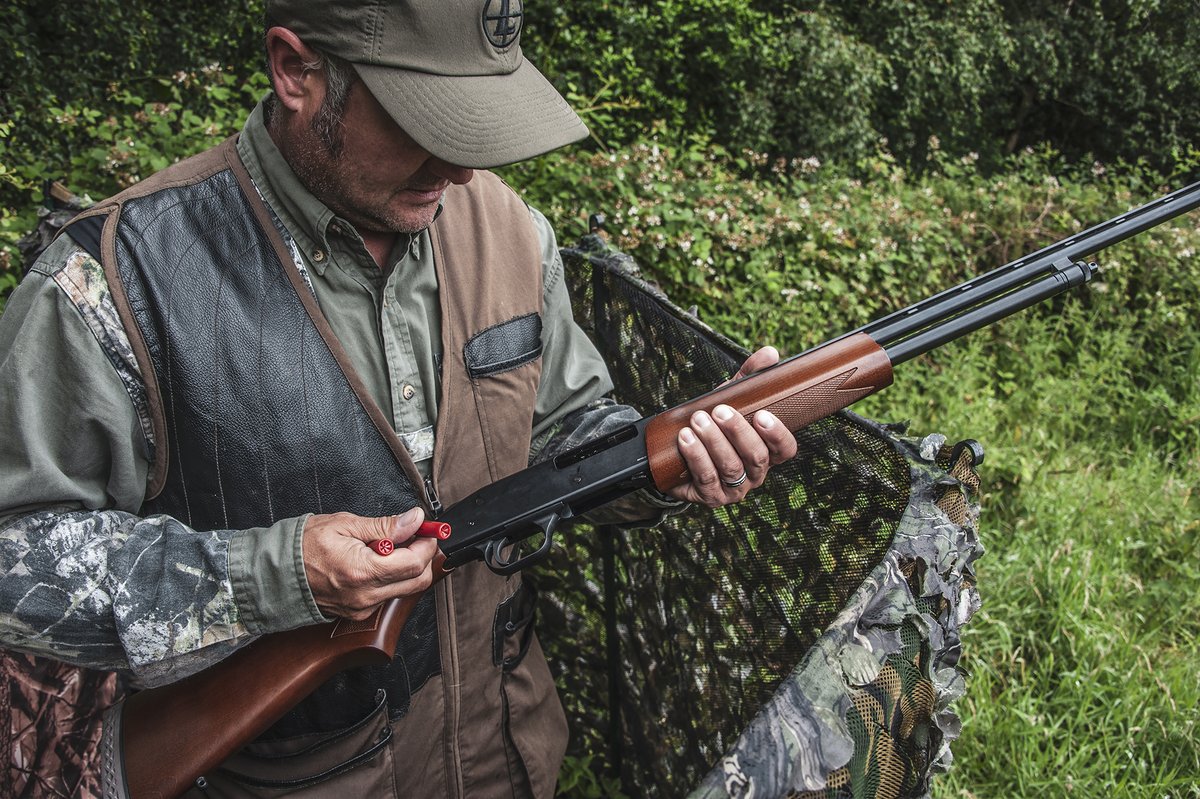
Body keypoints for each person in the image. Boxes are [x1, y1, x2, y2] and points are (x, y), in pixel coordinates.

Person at [0, 0, 797, 795]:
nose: (461, 172)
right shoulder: (113, 279)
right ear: (295, 70)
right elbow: (14, 559)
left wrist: (673, 451)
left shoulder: (514, 233)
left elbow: (562, 431)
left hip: (505, 755)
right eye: (427, 123)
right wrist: (271, 576)